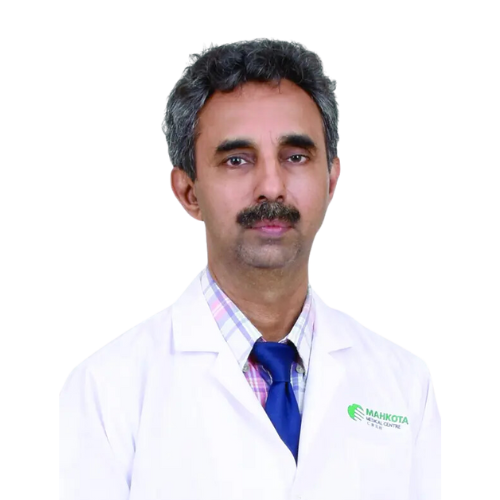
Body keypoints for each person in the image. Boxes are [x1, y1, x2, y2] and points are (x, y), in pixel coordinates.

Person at [59, 38, 442, 500]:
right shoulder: (105, 391)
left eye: (295, 156)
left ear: (331, 182)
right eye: (237, 160)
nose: (271, 186)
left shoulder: (405, 384)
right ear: (188, 192)